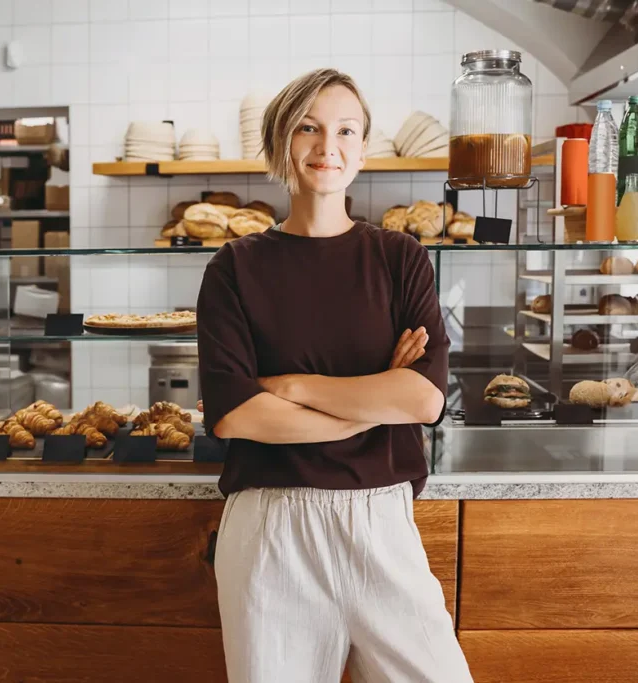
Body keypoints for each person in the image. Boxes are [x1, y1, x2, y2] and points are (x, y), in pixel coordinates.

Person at [196, 68, 473, 682]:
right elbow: (238, 414)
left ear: (364, 148)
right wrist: (374, 400)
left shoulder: (399, 256)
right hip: (272, 529)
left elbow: (423, 398)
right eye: (309, 128)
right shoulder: (233, 267)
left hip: (382, 522)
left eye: (347, 129)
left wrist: (292, 387)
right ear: (280, 143)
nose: (329, 146)